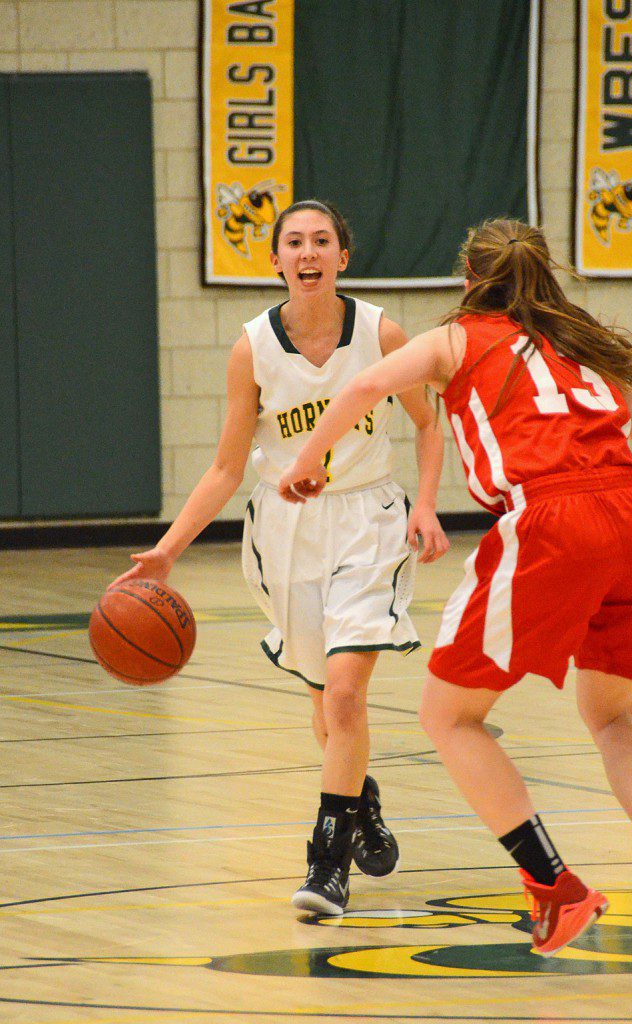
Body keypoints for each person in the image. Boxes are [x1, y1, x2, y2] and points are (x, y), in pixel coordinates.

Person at [278, 218, 632, 971]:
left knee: (450, 716)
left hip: (553, 519)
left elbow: (364, 384)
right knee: (616, 714)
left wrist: (307, 462)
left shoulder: (458, 338)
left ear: (470, 276)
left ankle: (554, 887)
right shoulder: (580, 345)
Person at [112, 200, 449, 916]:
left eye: (321, 240)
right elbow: (227, 469)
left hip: (369, 523)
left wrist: (425, 503)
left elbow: (427, 422)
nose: (308, 251)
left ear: (342, 258)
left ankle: (326, 865)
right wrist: (169, 552)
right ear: (275, 261)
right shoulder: (253, 348)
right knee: (328, 706)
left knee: (348, 693)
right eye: (293, 241)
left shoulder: (381, 331)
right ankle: (360, 798)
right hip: (287, 532)